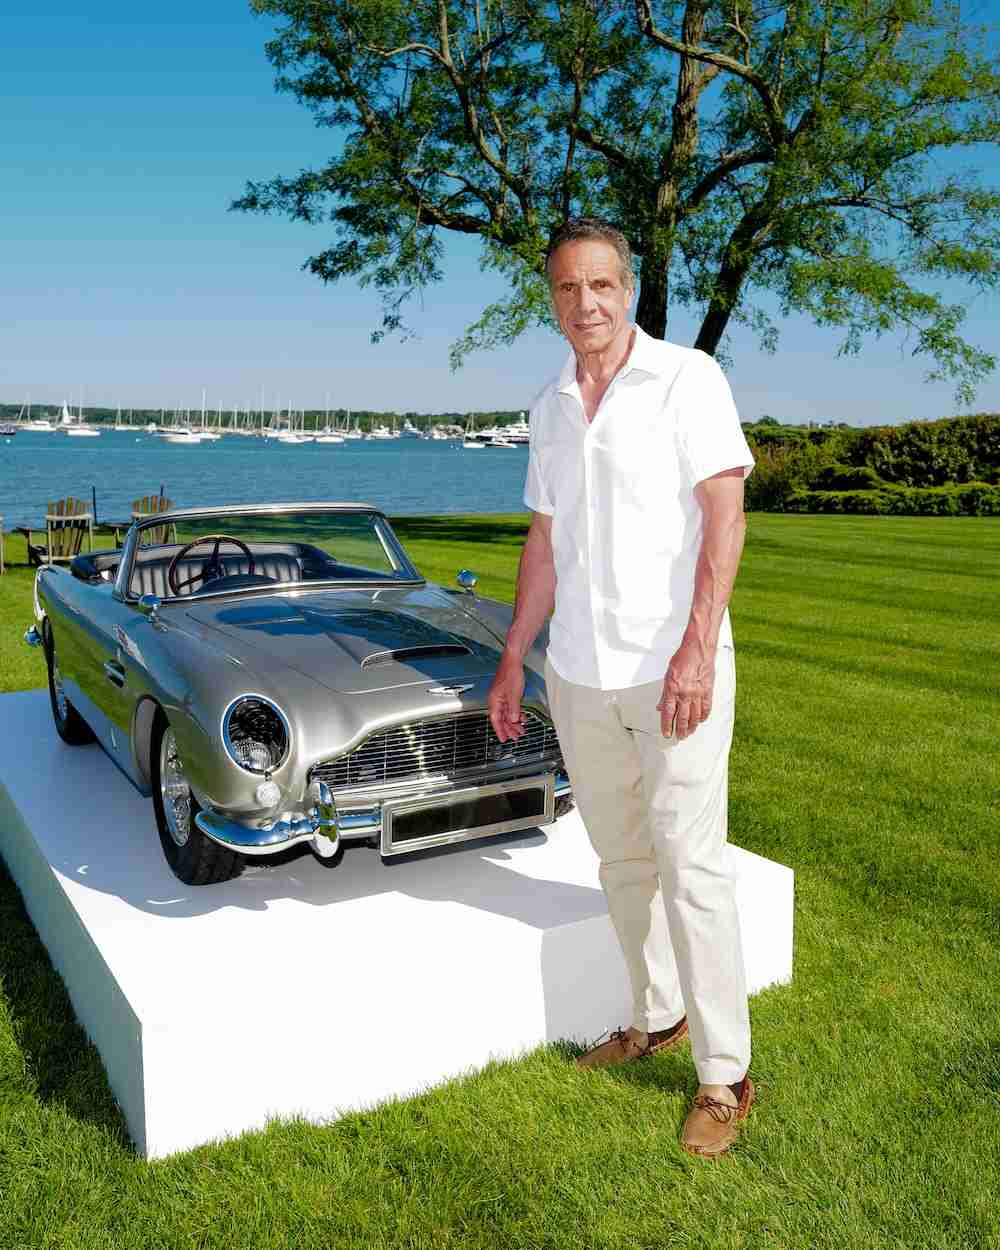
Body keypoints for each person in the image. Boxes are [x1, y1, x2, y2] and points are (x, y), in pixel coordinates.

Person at [487, 218, 756, 1159]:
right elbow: (545, 540)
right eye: (568, 288)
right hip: (579, 673)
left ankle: (724, 1075)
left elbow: (725, 515)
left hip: (672, 670)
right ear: (552, 299)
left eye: (601, 284)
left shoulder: (689, 380)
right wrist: (515, 654)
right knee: (622, 862)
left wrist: (698, 649)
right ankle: (656, 1016)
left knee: (693, 866)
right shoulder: (550, 406)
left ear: (628, 287)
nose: (586, 303)